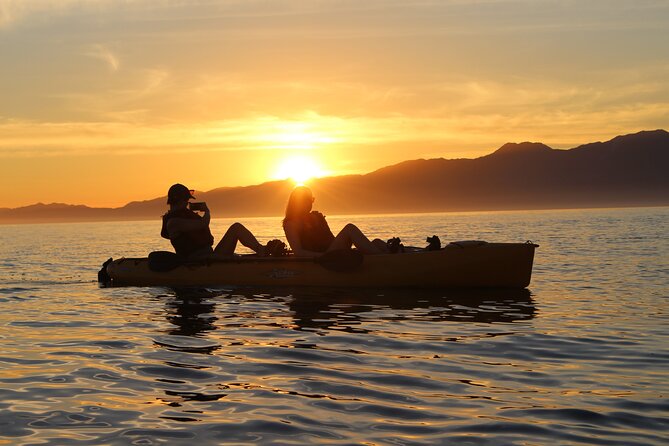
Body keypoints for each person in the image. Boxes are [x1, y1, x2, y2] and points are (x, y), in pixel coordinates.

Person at [161, 183, 266, 259]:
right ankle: (263, 252)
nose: (187, 203)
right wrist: (207, 211)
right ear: (179, 200)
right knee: (236, 228)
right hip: (199, 261)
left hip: (209, 256)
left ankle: (261, 250)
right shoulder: (173, 222)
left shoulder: (182, 216)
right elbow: (203, 224)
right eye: (186, 200)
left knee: (236, 227)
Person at [282, 186, 389, 257]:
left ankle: (394, 255)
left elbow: (331, 240)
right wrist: (324, 257)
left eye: (310, 200)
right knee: (350, 228)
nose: (309, 204)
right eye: (305, 201)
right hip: (326, 257)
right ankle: (384, 261)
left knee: (377, 242)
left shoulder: (316, 216)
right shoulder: (291, 224)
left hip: (334, 251)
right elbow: (298, 252)